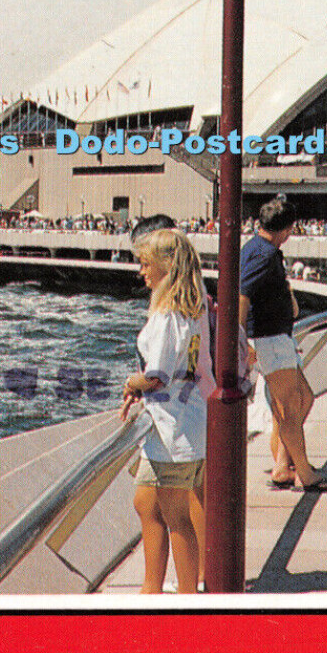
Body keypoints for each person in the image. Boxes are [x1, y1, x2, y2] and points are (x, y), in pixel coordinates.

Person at [120, 228, 209, 594]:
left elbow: (156, 376)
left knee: (176, 517)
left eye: (145, 264)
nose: (141, 271)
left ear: (164, 268)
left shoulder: (166, 316)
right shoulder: (190, 310)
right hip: (186, 422)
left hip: (172, 429)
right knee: (146, 501)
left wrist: (131, 383)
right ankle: (152, 588)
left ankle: (185, 596)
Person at [240, 197, 327, 492]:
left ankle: (283, 464)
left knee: (304, 398)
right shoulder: (264, 255)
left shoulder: (262, 250)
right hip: (268, 338)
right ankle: (304, 473)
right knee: (289, 408)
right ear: (288, 228)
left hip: (277, 337)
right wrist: (240, 342)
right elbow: (241, 296)